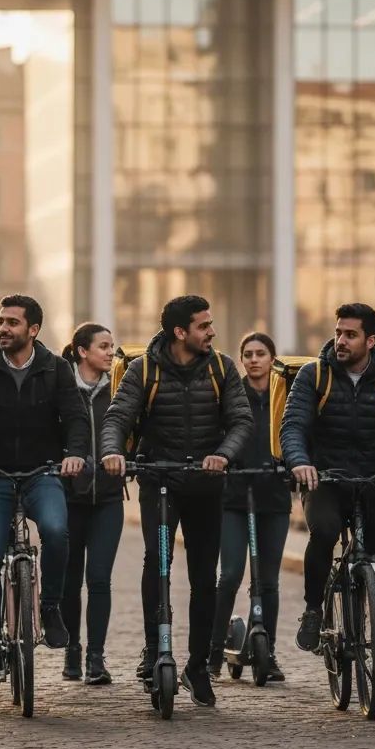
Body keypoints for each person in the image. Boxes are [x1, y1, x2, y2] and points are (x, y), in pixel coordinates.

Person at [102, 295, 253, 709]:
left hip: (207, 483)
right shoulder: (143, 369)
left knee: (205, 577)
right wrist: (113, 452)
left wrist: (223, 454)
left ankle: (199, 666)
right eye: (204, 326)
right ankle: (155, 653)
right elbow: (118, 416)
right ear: (180, 332)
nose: (212, 331)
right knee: (158, 565)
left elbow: (241, 419)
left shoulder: (222, 367)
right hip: (160, 479)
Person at [281, 302, 375, 712]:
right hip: (324, 479)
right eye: (338, 332)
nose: (340, 340)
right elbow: (293, 425)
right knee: (324, 531)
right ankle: (313, 610)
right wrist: (300, 462)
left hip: (374, 481)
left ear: (371, 340)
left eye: (350, 335)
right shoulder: (314, 375)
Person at [0, 294, 88, 685]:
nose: (3, 328)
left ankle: (51, 607)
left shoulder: (56, 368)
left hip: (43, 472)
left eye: (12, 322)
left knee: (58, 532)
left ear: (33, 329)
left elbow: (76, 419)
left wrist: (75, 454)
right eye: (1, 321)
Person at [208, 332, 291, 683]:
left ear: (272, 358)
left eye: (261, 353)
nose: (254, 359)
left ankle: (267, 652)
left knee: (268, 580)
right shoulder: (230, 393)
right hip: (234, 496)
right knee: (229, 575)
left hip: (273, 495)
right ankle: (211, 653)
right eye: (248, 354)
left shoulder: (285, 397)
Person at [59, 323, 124, 686]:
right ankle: (72, 648)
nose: (110, 352)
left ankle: (96, 657)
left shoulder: (119, 388)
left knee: (99, 578)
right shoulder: (62, 386)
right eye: (103, 346)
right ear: (82, 351)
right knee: (70, 579)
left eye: (112, 346)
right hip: (68, 497)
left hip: (109, 498)